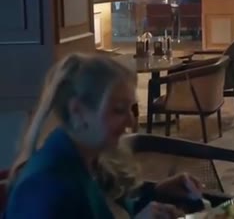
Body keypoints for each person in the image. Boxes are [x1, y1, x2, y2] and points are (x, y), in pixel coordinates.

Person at [5, 53, 203, 218]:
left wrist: (158, 192)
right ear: (78, 111)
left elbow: (115, 208)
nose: (131, 121)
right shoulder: (43, 187)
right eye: (118, 110)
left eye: (131, 108)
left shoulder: (92, 161)